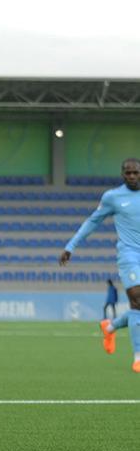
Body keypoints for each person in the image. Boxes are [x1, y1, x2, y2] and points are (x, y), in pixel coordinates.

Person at [60, 158, 140, 371]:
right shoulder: (113, 197)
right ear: (122, 174)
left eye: (135, 172)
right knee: (137, 299)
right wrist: (71, 245)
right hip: (129, 255)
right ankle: (138, 357)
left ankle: (110, 327)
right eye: (128, 173)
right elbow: (93, 221)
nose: (132, 176)